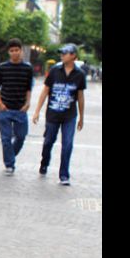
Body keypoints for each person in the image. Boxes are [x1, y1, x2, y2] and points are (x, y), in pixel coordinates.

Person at [31, 43, 86, 186]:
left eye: (65, 53)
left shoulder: (79, 75)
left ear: (73, 55)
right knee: (48, 141)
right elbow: (45, 91)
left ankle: (64, 175)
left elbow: (80, 97)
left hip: (70, 116)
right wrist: (37, 111)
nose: (62, 55)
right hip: (53, 114)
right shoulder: (55, 71)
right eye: (61, 52)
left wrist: (81, 117)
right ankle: (44, 163)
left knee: (67, 144)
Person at [0, 38, 34, 175]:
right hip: (5, 109)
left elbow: (29, 88)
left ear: (21, 51)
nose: (15, 53)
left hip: (20, 109)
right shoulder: (2, 68)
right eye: (12, 51)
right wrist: (0, 103)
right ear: (9, 52)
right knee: (5, 139)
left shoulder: (27, 68)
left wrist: (28, 103)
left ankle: (10, 156)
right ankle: (10, 164)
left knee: (21, 137)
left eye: (17, 50)